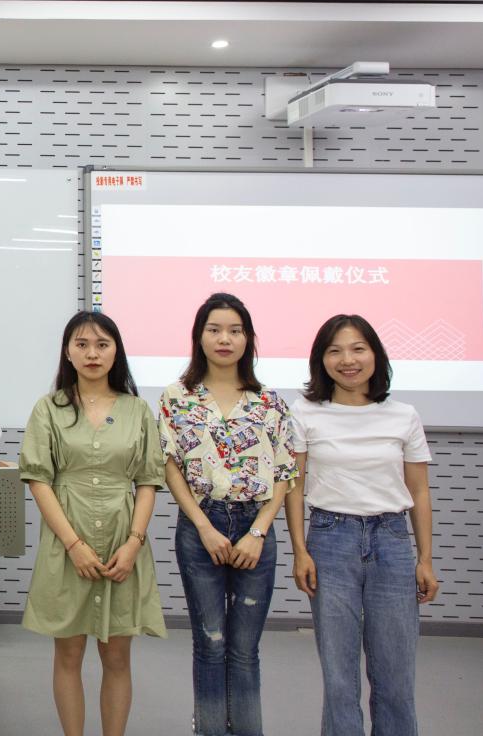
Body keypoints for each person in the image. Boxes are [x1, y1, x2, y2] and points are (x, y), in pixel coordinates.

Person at [285, 314, 439, 736]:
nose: (347, 360)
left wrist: (425, 559)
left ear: (376, 355)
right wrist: (300, 551)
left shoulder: (403, 415)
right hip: (330, 541)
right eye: (334, 351)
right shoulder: (305, 411)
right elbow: (293, 487)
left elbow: (419, 490)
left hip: (391, 541)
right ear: (321, 360)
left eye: (358, 349)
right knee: (339, 677)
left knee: (396, 675)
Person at [20, 311, 166, 736]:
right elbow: (39, 480)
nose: (92, 353)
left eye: (102, 344)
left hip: (123, 543)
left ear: (116, 351)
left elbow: (148, 480)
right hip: (67, 542)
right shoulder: (49, 409)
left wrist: (134, 542)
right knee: (68, 656)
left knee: (117, 658)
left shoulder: (138, 410)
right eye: (81, 344)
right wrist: (74, 545)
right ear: (67, 352)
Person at [157, 292, 295, 736]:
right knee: (210, 644)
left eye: (235, 331)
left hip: (256, 528)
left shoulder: (269, 401)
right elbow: (169, 466)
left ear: (248, 339)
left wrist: (258, 532)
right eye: (214, 329)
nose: (225, 339)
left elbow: (284, 472)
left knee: (244, 651)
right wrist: (203, 526)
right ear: (199, 337)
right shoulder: (177, 398)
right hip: (201, 526)